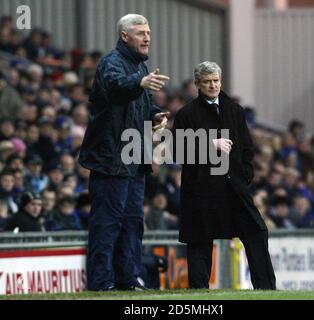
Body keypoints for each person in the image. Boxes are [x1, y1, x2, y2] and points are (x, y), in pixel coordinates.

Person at [78, 14, 170, 291]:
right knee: (107, 224)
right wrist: (138, 84)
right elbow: (117, 87)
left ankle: (127, 279)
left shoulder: (140, 69)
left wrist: (155, 116)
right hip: (110, 160)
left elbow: (140, 106)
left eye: (149, 32)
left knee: (132, 223)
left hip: (133, 159)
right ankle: (101, 282)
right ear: (124, 36)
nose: (147, 37)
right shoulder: (111, 63)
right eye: (141, 32)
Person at [172, 61, 276, 290]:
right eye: (207, 81)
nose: (212, 85)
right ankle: (198, 294)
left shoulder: (234, 110)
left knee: (257, 232)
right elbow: (178, 151)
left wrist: (245, 175)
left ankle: (267, 290)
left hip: (234, 187)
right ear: (198, 84)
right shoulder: (186, 115)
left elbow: (247, 148)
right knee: (199, 242)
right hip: (202, 190)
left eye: (216, 80)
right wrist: (210, 145)